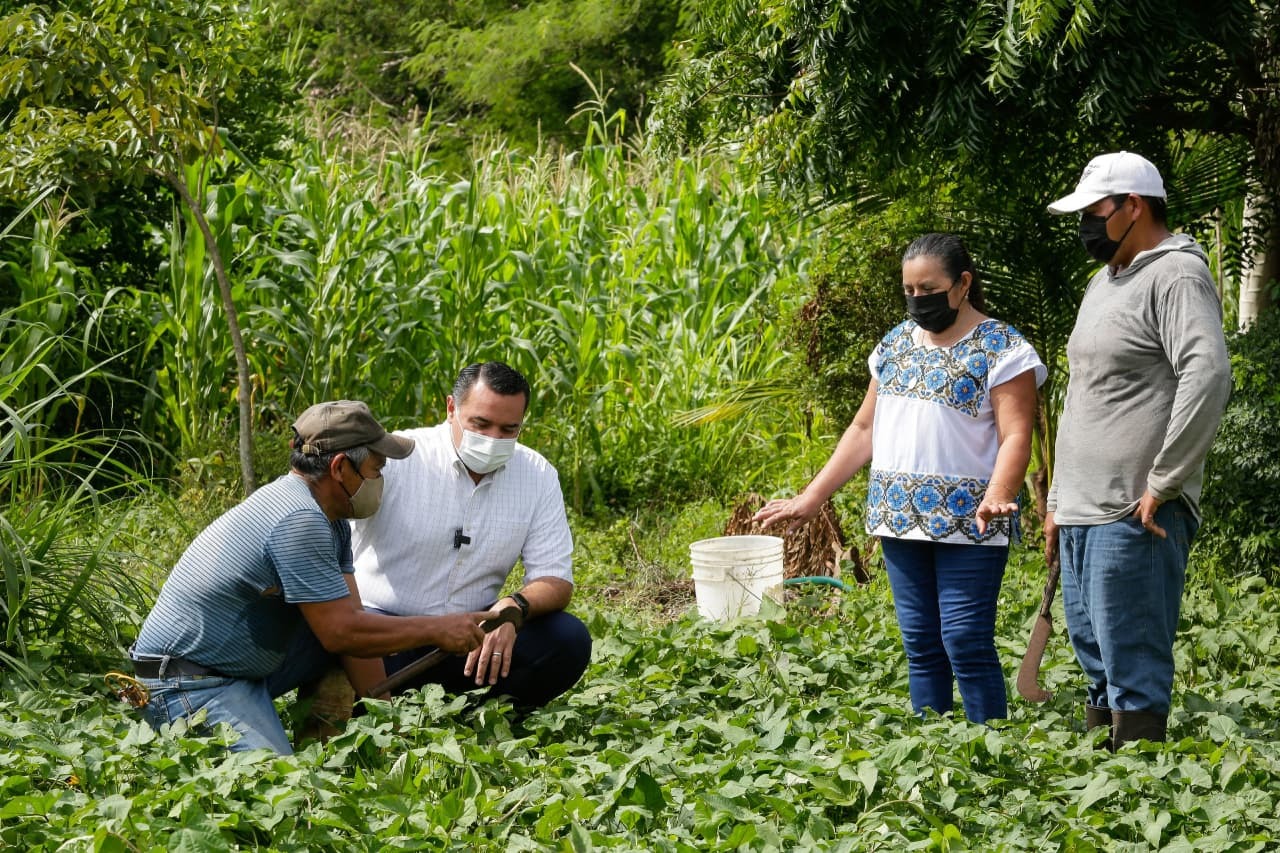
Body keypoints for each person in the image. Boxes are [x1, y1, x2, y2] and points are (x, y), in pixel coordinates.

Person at [754, 233, 1045, 724]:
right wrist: (812, 497)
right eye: (908, 290)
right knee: (921, 643)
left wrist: (999, 493)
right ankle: (931, 751)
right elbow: (864, 428)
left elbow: (1017, 433)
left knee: (964, 639)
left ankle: (991, 752)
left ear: (963, 284)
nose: (917, 300)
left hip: (971, 519)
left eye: (928, 289)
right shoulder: (894, 344)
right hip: (899, 519)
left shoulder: (1002, 348)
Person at [128, 401, 499, 754]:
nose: (380, 480)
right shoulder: (299, 521)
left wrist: (392, 725)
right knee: (280, 793)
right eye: (376, 469)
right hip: (186, 683)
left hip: (231, 666)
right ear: (340, 468)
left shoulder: (329, 519)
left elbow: (351, 623)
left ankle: (317, 741)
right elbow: (342, 632)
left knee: (343, 636)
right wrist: (438, 630)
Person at [1044, 151, 1231, 748]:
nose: (1086, 226)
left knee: (1132, 655)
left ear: (1134, 205)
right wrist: (1056, 497)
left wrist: (1164, 482)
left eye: (1095, 211)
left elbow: (1206, 374)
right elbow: (1082, 393)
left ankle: (1142, 784)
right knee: (1094, 651)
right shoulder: (1104, 281)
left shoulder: (1175, 274)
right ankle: (1108, 779)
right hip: (1081, 508)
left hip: (1135, 509)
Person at [349, 361, 591, 710]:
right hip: (386, 637)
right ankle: (373, 704)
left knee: (567, 639)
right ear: (451, 409)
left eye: (509, 429)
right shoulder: (397, 458)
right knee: (341, 646)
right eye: (480, 424)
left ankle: (481, 719)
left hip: (472, 640)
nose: (493, 439)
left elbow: (555, 579)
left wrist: (513, 609)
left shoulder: (537, 475)